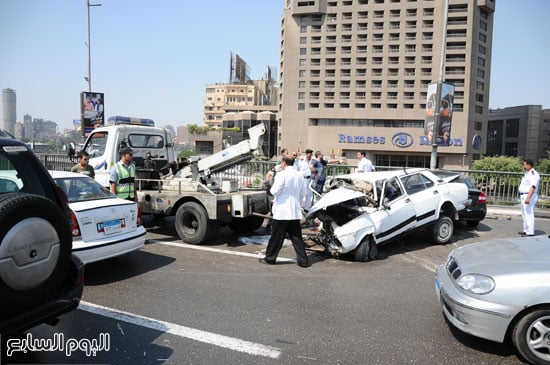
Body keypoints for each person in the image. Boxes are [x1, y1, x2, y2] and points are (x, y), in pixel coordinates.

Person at [260, 156, 309, 267]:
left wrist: (269, 186)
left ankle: (270, 258)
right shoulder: (299, 175)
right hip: (294, 210)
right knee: (296, 237)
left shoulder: (282, 174)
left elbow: (275, 191)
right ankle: (303, 260)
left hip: (282, 210)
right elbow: (303, 192)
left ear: (284, 163)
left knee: (276, 237)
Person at [518, 159, 540, 236]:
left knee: (529, 214)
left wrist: (528, 198)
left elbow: (533, 187)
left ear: (529, 165)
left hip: (529, 195)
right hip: (524, 195)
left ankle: (530, 232)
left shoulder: (533, 174)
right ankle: (526, 230)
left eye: (524, 165)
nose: (523, 166)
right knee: (524, 214)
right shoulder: (528, 173)